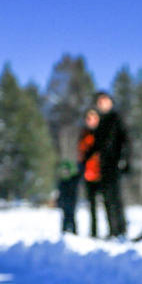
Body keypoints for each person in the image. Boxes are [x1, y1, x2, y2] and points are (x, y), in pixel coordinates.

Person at [86, 91, 130, 238]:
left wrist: (125, 160)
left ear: (110, 102)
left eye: (104, 101)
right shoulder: (101, 122)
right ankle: (113, 230)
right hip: (103, 166)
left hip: (115, 164)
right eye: (99, 102)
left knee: (116, 198)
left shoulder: (116, 118)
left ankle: (121, 230)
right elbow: (97, 145)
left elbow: (126, 140)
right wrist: (86, 158)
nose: (101, 104)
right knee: (107, 199)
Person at [77, 109, 103, 237]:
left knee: (109, 204)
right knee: (91, 205)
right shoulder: (84, 134)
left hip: (102, 173)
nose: (90, 121)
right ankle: (94, 232)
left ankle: (115, 231)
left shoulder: (102, 133)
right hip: (89, 174)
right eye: (88, 118)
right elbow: (81, 153)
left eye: (93, 118)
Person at [56, 160, 79, 234]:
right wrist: (59, 201)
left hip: (72, 201)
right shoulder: (62, 181)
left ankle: (74, 233)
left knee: (71, 217)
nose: (65, 172)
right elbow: (60, 193)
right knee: (65, 217)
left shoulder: (73, 180)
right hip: (64, 202)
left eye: (67, 170)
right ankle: (64, 232)